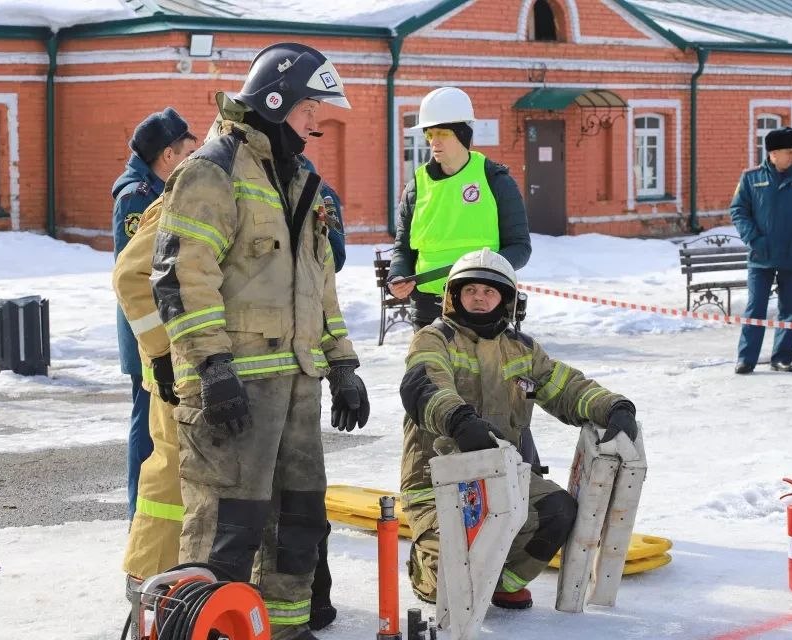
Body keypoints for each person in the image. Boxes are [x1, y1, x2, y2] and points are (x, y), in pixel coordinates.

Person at [150, 42, 369, 640]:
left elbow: (320, 284)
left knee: (298, 525)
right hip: (234, 387)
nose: (316, 124)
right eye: (309, 111)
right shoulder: (213, 170)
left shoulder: (300, 181)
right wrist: (213, 367)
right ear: (276, 101)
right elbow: (181, 276)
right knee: (228, 526)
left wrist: (344, 365)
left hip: (297, 388)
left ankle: (284, 629)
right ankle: (210, 630)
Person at [398, 248, 641, 609]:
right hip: (438, 480)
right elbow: (425, 384)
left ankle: (502, 581)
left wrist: (613, 406)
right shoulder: (434, 339)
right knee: (449, 585)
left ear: (507, 300)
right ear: (454, 296)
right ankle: (426, 569)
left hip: (506, 474)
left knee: (558, 511)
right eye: (470, 291)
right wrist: (459, 420)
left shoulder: (522, 349)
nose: (479, 298)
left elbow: (566, 387)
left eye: (489, 291)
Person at [111, 107, 197, 519]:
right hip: (147, 335)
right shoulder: (139, 197)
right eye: (187, 153)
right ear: (167, 155)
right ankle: (138, 516)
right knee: (148, 429)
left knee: (162, 430)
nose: (192, 164)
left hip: (161, 333)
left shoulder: (153, 189)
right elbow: (134, 273)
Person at [387, 86, 531, 330]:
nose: (434, 142)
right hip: (427, 308)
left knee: (482, 370)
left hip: (482, 306)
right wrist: (398, 275)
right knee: (428, 369)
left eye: (442, 133)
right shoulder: (416, 187)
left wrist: (480, 270)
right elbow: (403, 248)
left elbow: (520, 248)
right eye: (429, 134)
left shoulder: (495, 180)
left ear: (463, 134)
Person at [729, 126, 792, 374]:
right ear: (772, 153)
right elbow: (738, 210)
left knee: (789, 310)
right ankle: (746, 359)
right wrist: (753, 238)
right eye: (787, 152)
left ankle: (782, 357)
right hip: (761, 255)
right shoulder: (751, 178)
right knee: (755, 309)